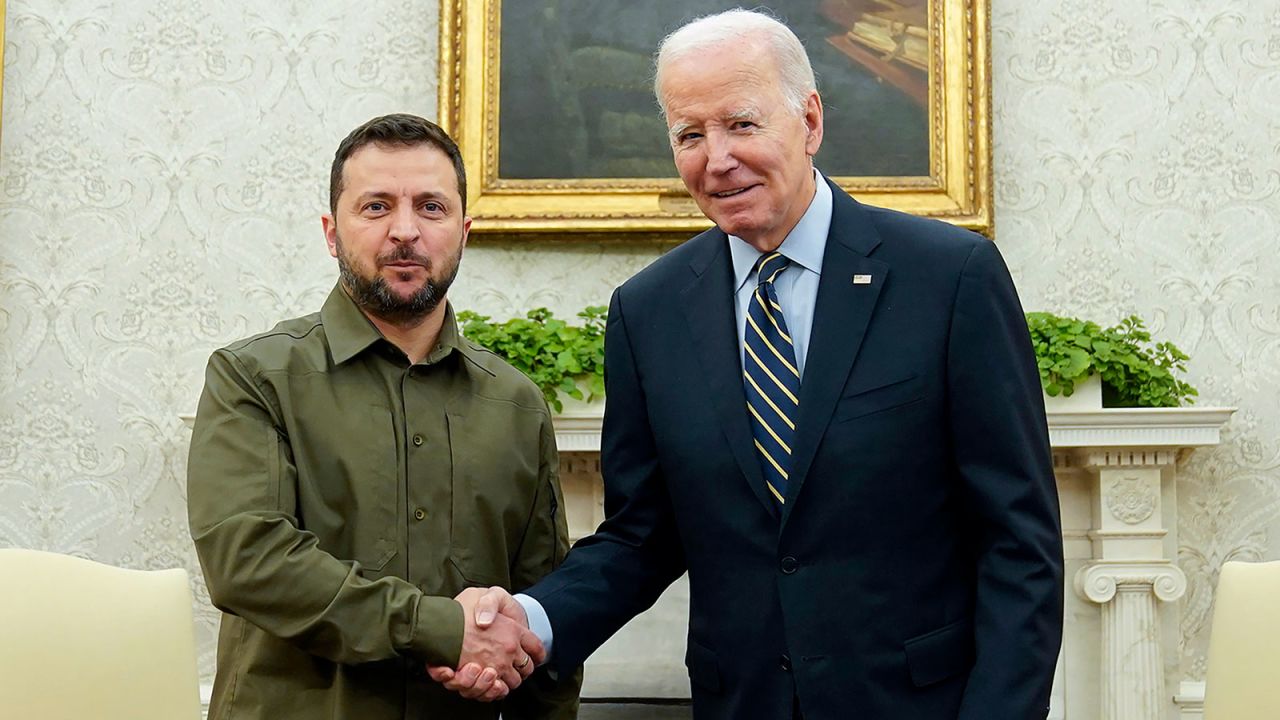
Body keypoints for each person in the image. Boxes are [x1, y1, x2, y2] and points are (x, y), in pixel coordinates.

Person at [434, 9, 1064, 719]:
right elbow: (642, 537)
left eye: (741, 124)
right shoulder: (649, 312)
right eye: (689, 135)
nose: (717, 159)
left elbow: (1019, 545)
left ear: (810, 120)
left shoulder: (949, 278)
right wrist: (531, 621)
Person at [187, 113, 581, 719]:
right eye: (375, 207)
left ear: (463, 231)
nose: (405, 231)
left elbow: (544, 608)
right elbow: (249, 563)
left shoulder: (517, 403)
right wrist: (444, 627)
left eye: (431, 207)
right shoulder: (254, 377)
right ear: (331, 231)